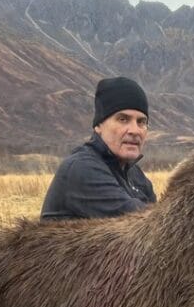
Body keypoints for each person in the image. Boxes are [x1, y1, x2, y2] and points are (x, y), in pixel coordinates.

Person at [40, 77, 157, 220]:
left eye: (141, 122)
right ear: (99, 125)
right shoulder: (81, 168)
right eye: (123, 119)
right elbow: (147, 223)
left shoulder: (136, 176)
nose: (135, 130)